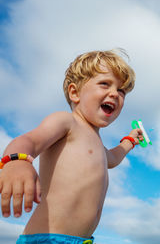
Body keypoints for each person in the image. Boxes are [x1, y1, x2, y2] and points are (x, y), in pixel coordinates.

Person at [0, 50, 143, 244]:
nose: (114, 94)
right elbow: (30, 140)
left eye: (121, 91)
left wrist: (131, 140)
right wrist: (16, 161)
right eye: (105, 84)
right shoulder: (66, 122)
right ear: (75, 92)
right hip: (48, 239)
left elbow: (113, 158)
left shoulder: (98, 145)